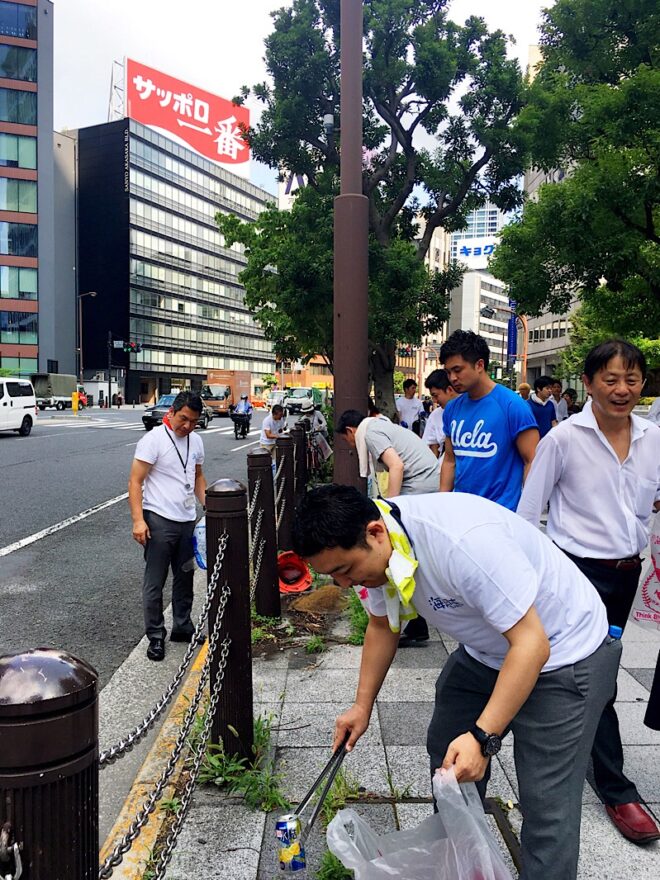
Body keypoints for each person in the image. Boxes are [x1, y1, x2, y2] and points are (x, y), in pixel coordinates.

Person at [292, 484, 620, 880]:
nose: (344, 585)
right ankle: (463, 866)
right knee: (447, 755)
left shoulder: (462, 542)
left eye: (345, 571)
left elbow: (532, 646)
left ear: (375, 532)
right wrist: (361, 706)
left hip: (566, 652)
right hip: (487, 650)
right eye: (333, 576)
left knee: (547, 803)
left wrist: (484, 737)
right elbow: (382, 624)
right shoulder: (382, 550)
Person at [517, 339, 660, 843]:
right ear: (590, 382)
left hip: (625, 575)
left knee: (586, 674)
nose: (623, 389)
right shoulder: (564, 438)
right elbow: (528, 513)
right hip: (573, 572)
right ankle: (617, 790)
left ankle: (568, 748)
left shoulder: (653, 439)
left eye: (633, 379)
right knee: (598, 681)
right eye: (611, 379)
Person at [128, 391, 206, 661]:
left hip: (186, 520)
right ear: (171, 412)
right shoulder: (153, 440)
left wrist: (209, 505)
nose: (187, 426)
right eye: (184, 419)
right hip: (159, 520)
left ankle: (183, 626)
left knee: (185, 577)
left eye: (194, 422)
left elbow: (197, 477)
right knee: (155, 581)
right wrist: (138, 521)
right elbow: (135, 482)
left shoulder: (195, 441)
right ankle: (156, 637)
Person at [439, 330, 539, 510]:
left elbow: (532, 461)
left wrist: (527, 514)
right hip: (460, 513)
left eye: (457, 370)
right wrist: (442, 505)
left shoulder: (512, 406)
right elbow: (449, 459)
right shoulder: (452, 409)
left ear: (479, 365)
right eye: (448, 372)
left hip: (501, 514)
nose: (452, 378)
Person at [336, 409, 440, 499]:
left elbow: (397, 466)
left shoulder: (371, 433)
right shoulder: (379, 424)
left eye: (345, 440)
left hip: (421, 481)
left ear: (349, 430)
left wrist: (391, 505)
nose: (349, 444)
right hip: (430, 477)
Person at [423, 368, 458, 458]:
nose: (434, 400)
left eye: (436, 395)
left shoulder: (470, 410)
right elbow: (431, 445)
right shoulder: (435, 415)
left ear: (449, 390)